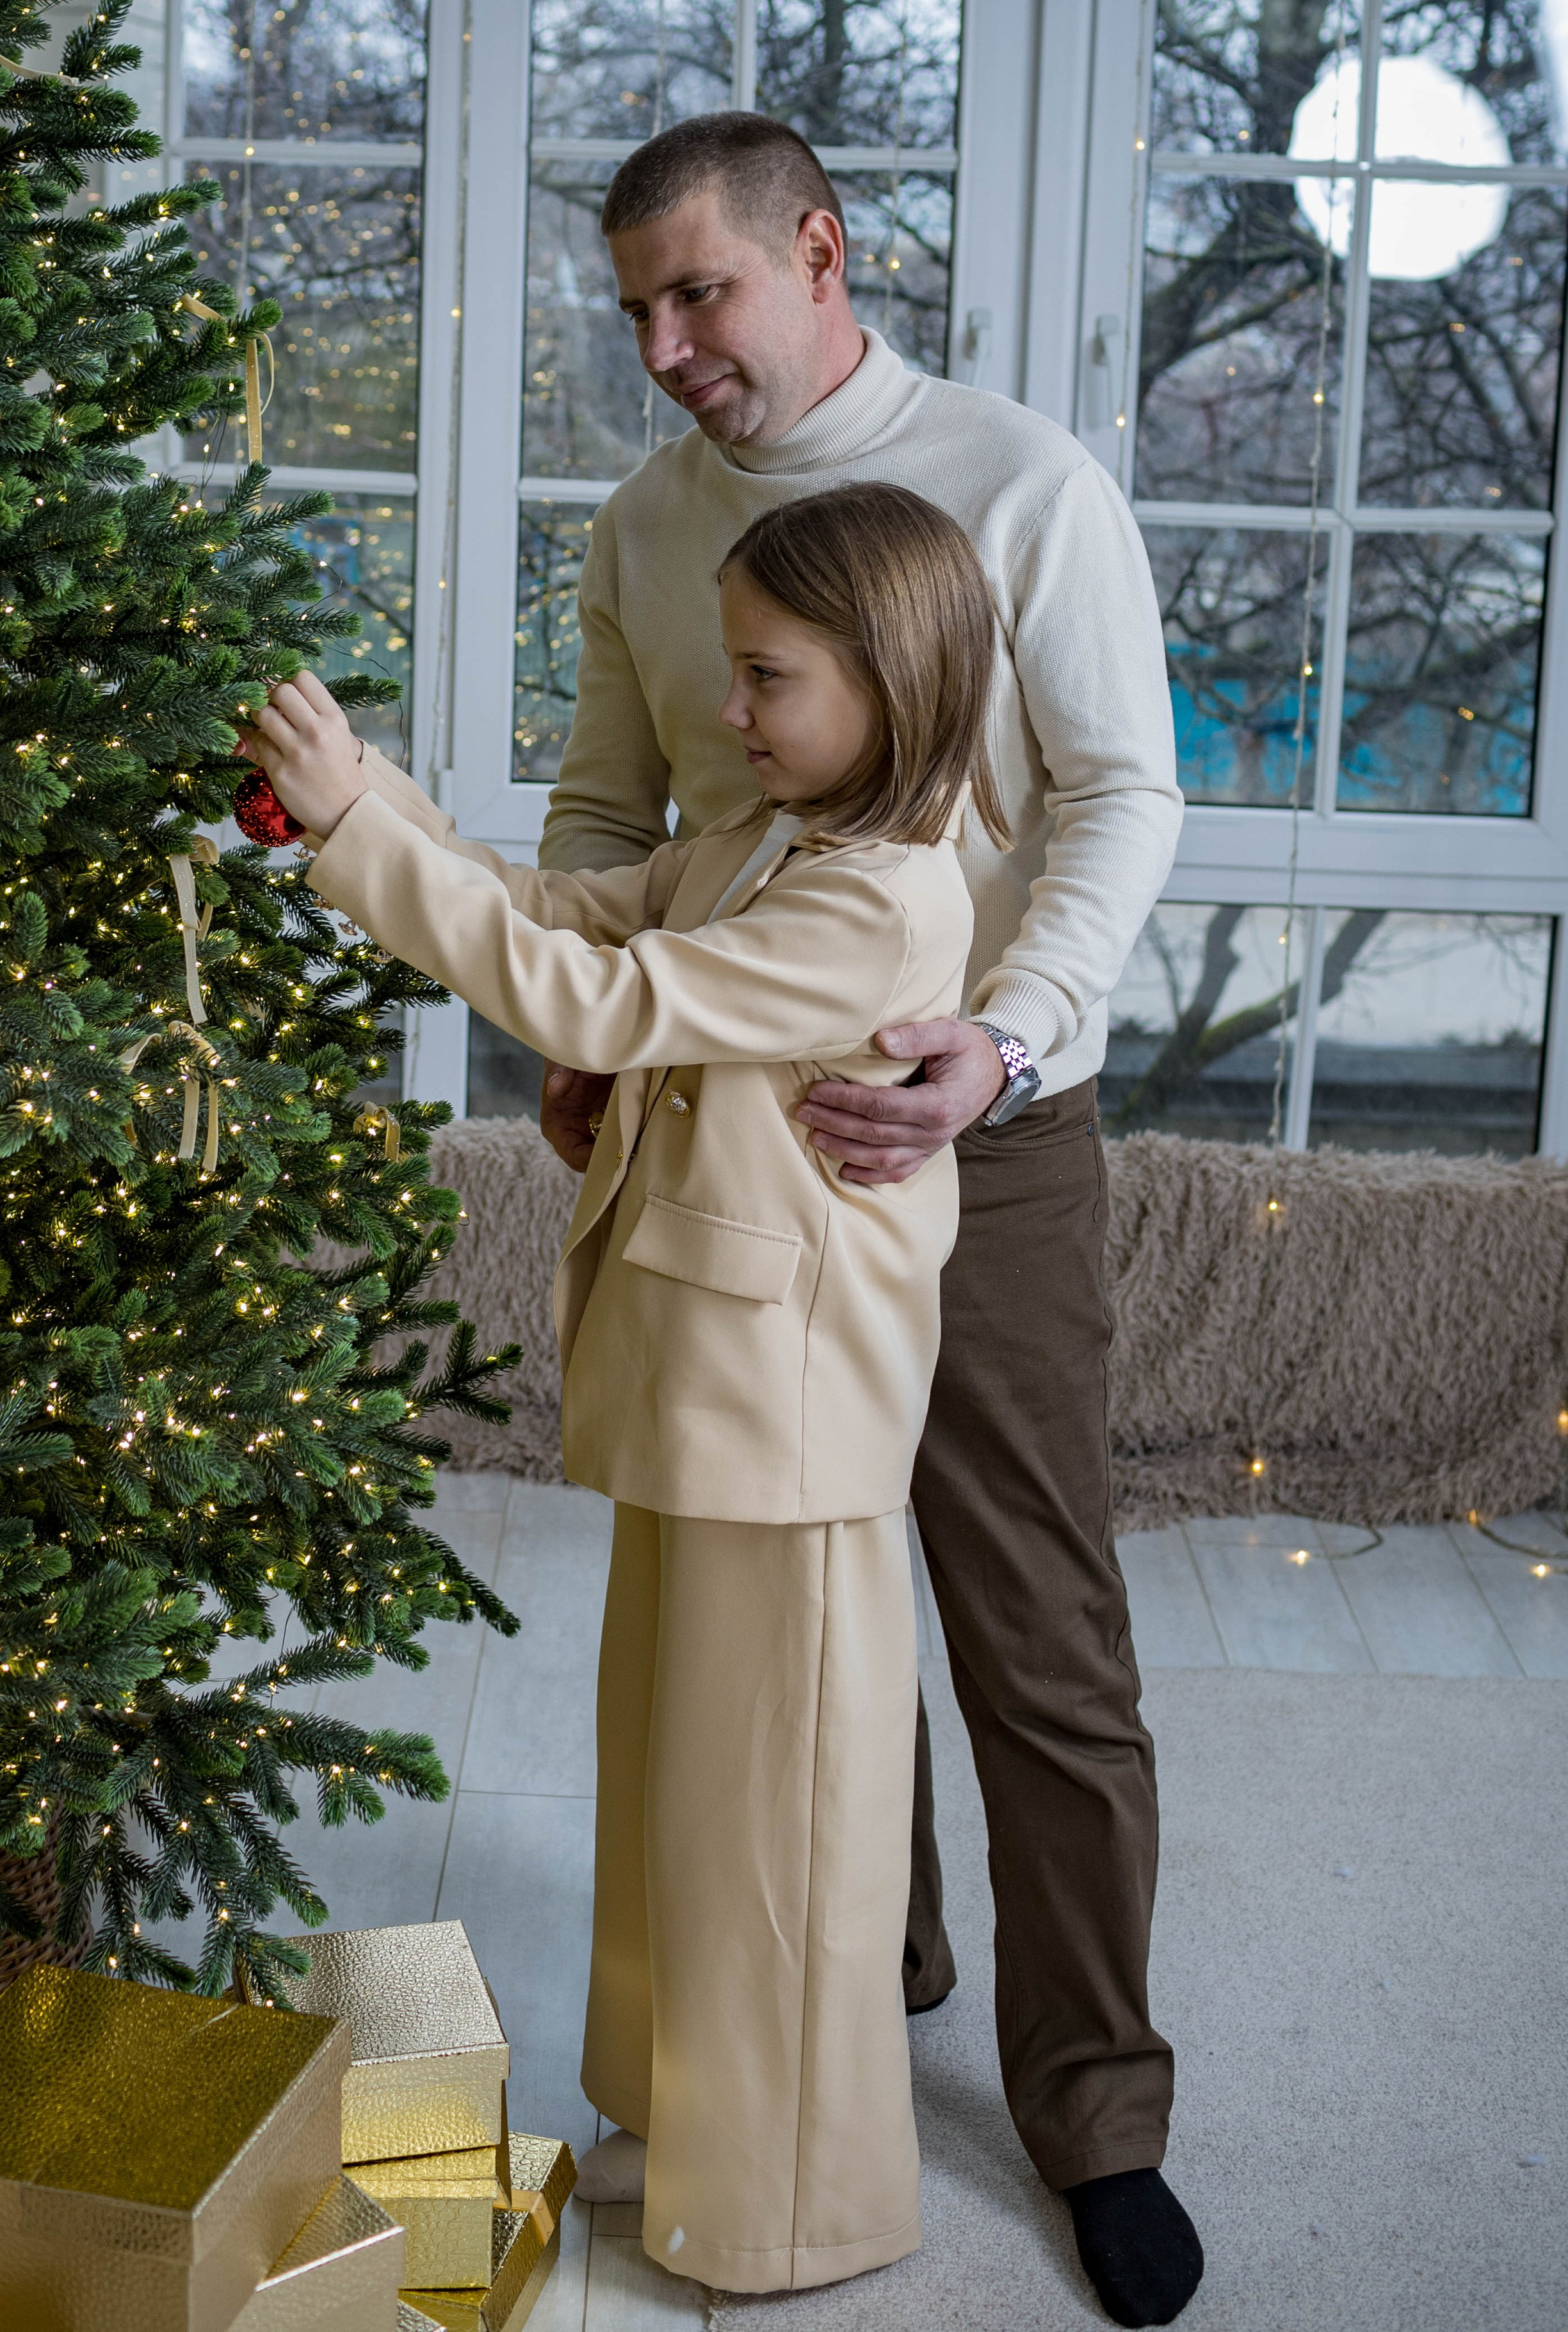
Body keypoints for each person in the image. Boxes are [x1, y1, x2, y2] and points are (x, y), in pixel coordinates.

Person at [531, 111, 1200, 2331]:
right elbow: (610, 809)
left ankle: (1098, 2113)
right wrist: (591, 1038)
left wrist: (998, 1040)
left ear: (818, 252)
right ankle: (861, 1975)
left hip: (981, 1127)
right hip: (725, 1136)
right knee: (788, 1591)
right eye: (635, 306)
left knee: (1034, 1628)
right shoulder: (645, 520)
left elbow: (1124, 791)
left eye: (697, 292)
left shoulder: (1025, 482)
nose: (663, 345)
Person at [243, 483, 1007, 2294]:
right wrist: (379, 803)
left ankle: (792, 2199)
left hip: (796, 1420)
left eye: (768, 676)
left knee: (777, 1835)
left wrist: (359, 828)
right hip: (704, 1391)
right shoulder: (764, 838)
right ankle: (674, 2119)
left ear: (890, 684)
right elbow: (553, 909)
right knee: (670, 1793)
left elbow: (591, 1005)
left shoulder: (884, 899)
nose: (729, 711)